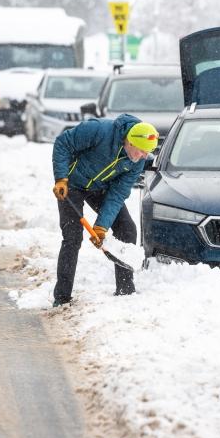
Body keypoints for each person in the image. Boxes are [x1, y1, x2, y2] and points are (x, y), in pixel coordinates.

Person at [51, 114, 158, 307]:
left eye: (147, 153)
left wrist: (101, 226)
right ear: (130, 142)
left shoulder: (137, 161)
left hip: (101, 188)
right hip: (71, 185)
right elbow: (62, 143)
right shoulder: (98, 130)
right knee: (72, 237)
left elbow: (118, 194)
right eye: (142, 151)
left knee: (127, 229)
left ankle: (125, 290)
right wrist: (61, 177)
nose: (144, 157)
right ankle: (62, 297)